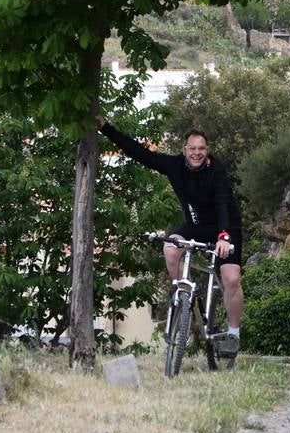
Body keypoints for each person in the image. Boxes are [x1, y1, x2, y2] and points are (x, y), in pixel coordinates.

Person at [98, 118, 244, 359]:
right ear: (184, 150)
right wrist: (106, 128)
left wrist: (224, 237)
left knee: (230, 279)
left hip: (225, 226)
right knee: (170, 248)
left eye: (201, 148)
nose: (197, 153)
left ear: (206, 151)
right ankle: (182, 294)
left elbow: (223, 204)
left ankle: (233, 333)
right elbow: (139, 153)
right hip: (196, 225)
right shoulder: (174, 166)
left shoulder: (215, 170)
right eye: (192, 148)